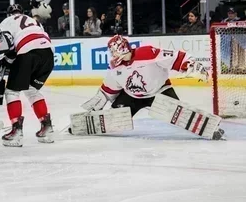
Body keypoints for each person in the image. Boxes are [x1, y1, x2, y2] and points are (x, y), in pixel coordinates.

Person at [76, 35, 224, 140]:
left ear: (122, 48)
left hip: (159, 91)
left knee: (180, 114)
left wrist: (190, 65)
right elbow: (109, 89)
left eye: (114, 50)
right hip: (132, 97)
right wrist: (96, 104)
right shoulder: (115, 67)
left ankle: (211, 129)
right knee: (114, 119)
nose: (113, 54)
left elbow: (174, 57)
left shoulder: (146, 53)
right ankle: (81, 126)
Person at [0, 4, 55, 147]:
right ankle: (47, 128)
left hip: (27, 51)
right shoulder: (32, 20)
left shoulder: (6, 22)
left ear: (8, 14)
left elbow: (5, 45)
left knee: (11, 91)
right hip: (48, 53)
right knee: (32, 90)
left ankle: (16, 132)